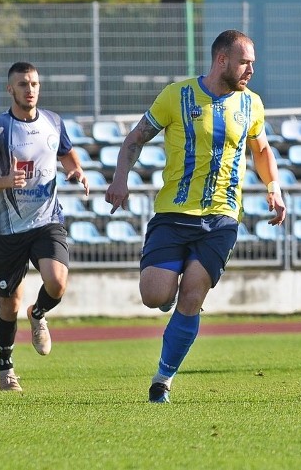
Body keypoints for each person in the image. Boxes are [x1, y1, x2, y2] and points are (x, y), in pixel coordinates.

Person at [104, 30, 286, 404]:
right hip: (173, 213)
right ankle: (167, 294)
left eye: (252, 62)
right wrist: (120, 178)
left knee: (191, 295)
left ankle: (162, 380)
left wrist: (274, 187)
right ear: (222, 59)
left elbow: (261, 148)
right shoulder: (177, 96)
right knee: (155, 297)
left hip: (222, 217)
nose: (251, 69)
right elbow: (135, 138)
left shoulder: (252, 104)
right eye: (244, 61)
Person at [0, 61, 90, 392]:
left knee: (57, 282)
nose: (30, 89)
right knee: (8, 304)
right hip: (8, 230)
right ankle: (5, 367)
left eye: (34, 83)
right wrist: (6, 180)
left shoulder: (53, 122)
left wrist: (76, 170)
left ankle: (38, 313)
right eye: (23, 84)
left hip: (47, 221)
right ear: (10, 89)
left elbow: (67, 153)